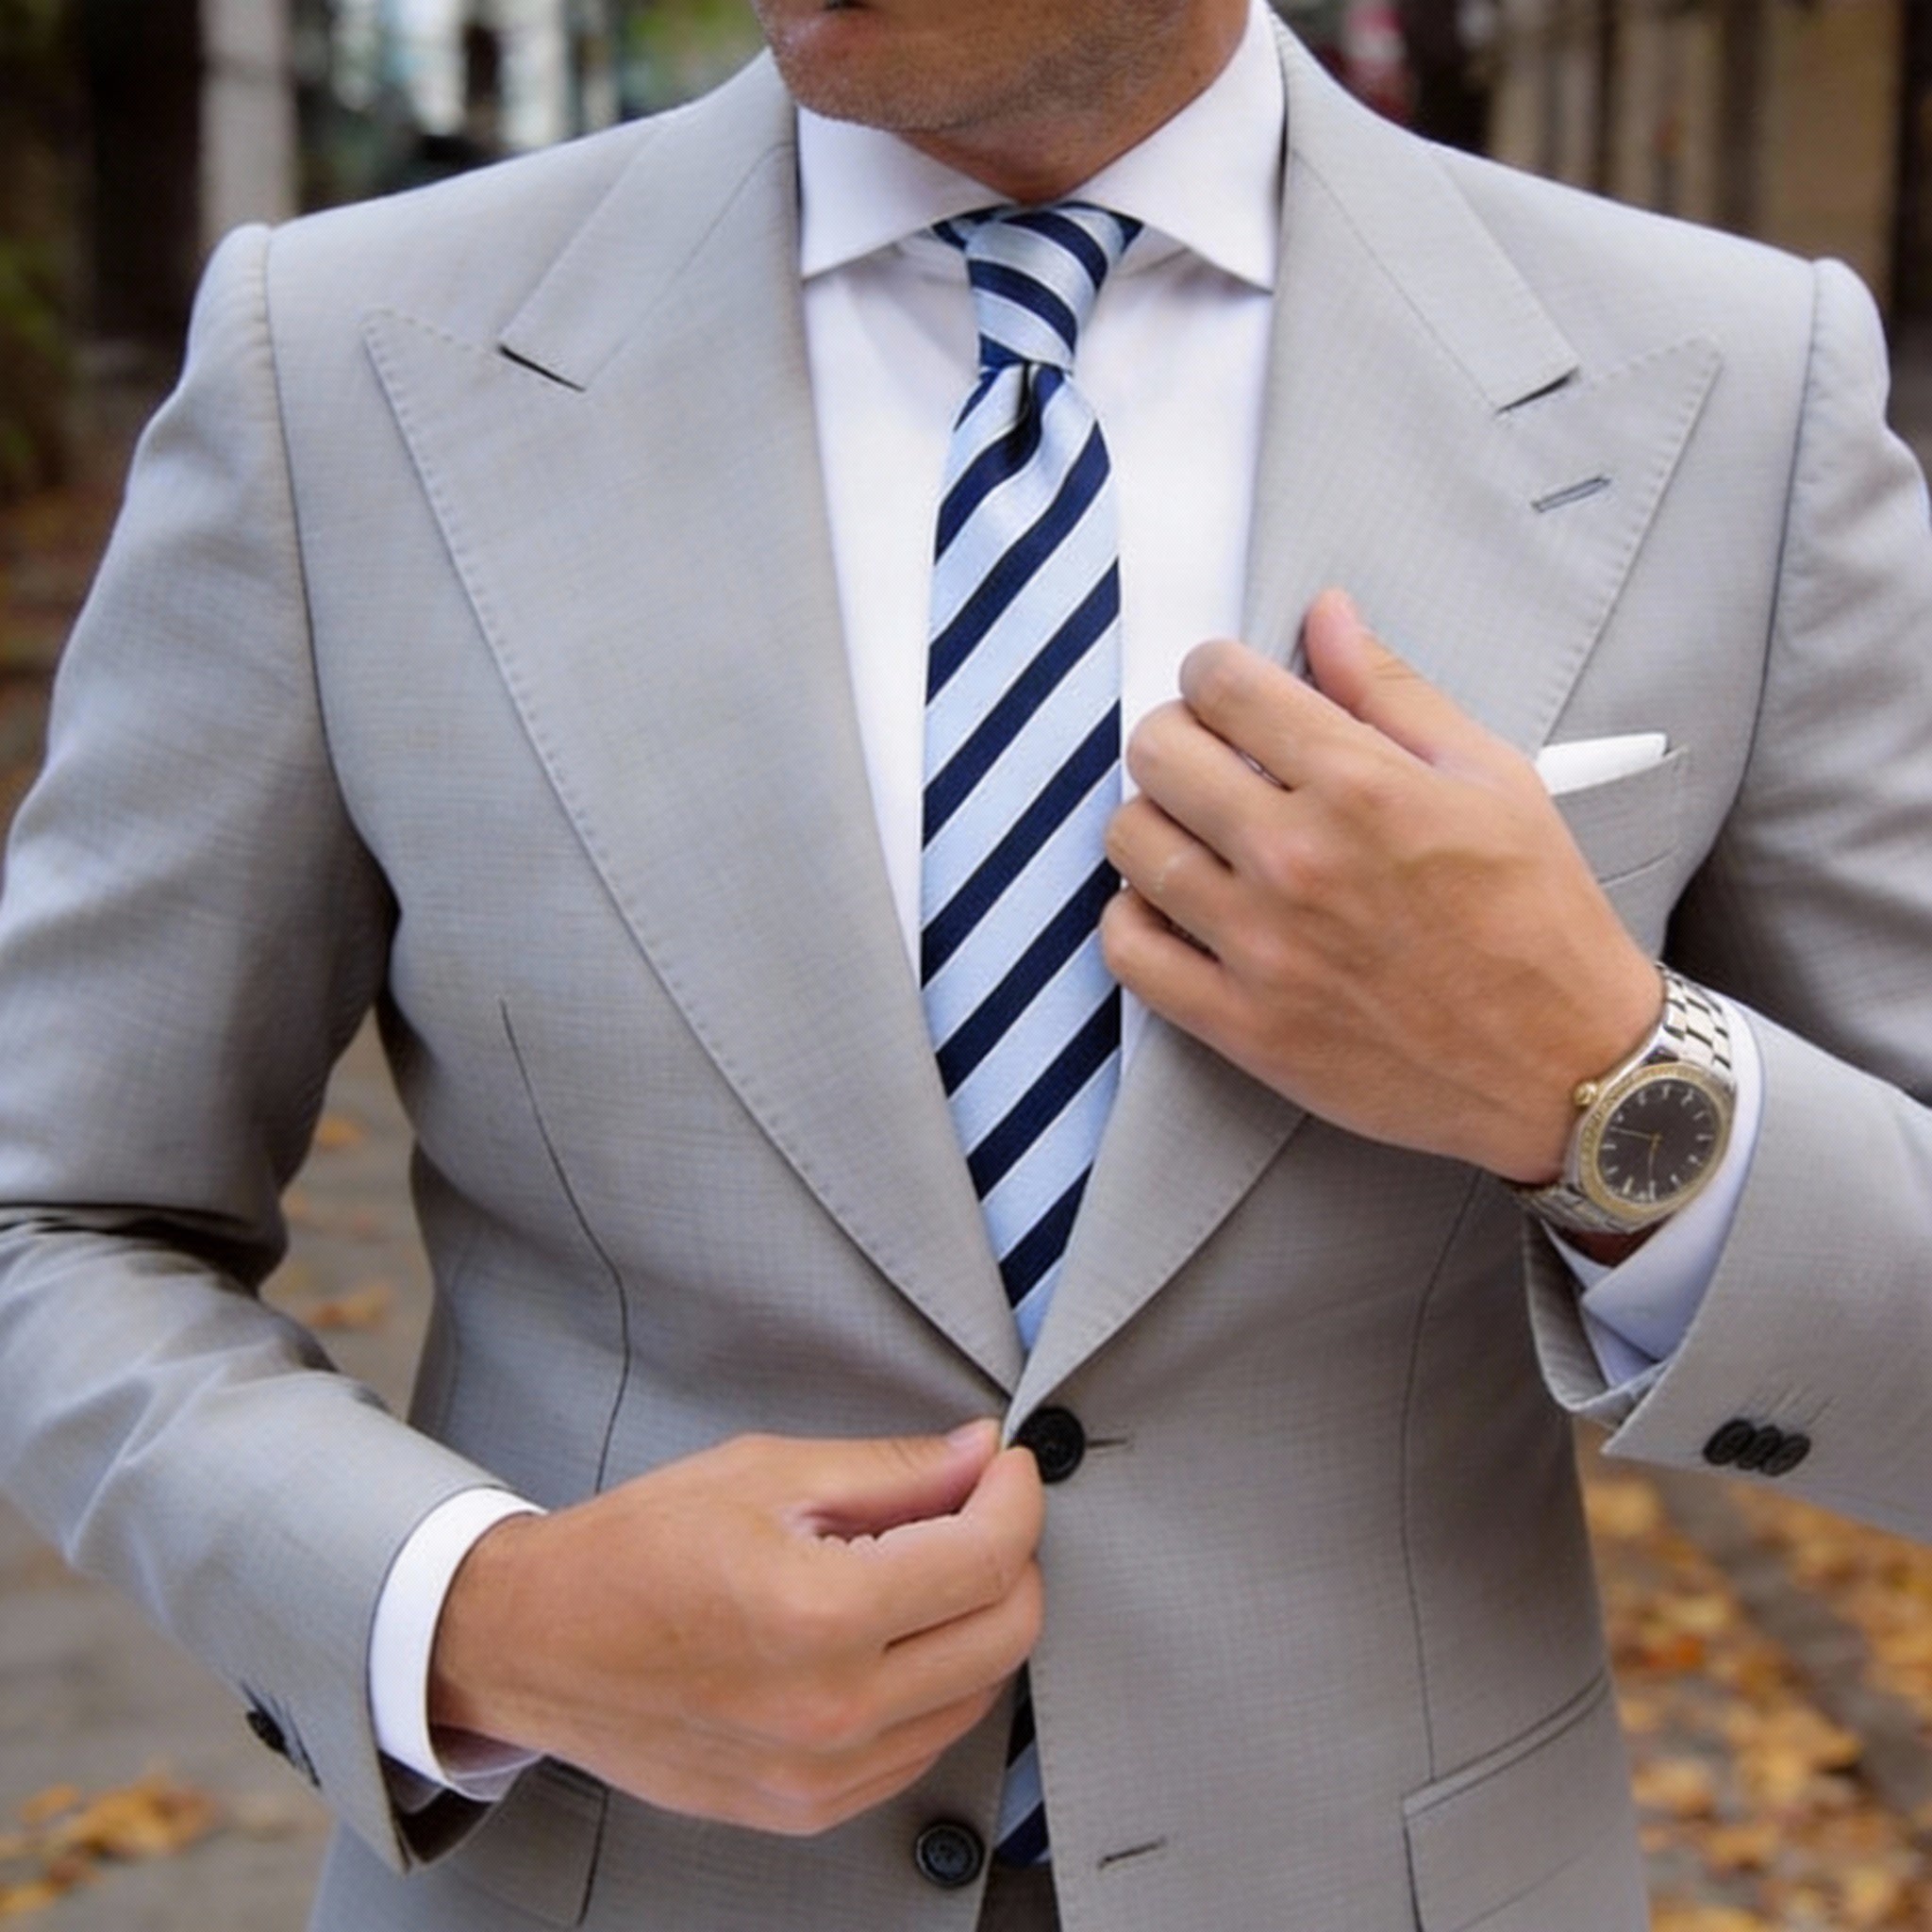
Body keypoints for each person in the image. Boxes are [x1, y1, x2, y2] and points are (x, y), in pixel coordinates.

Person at [2, 0, 1929, 1926]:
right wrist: (474, 1613)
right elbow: (58, 1218)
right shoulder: (339, 362)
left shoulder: (1729, 392)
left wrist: (1599, 1082)